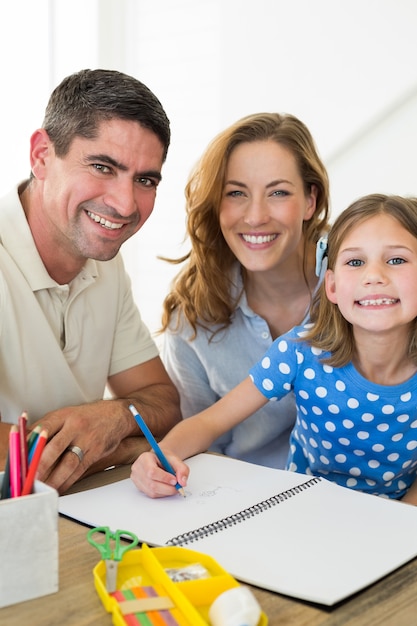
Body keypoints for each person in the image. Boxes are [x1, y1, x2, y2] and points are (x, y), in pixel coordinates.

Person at [132, 193, 417, 505]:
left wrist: (399, 527)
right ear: (332, 285)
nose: (374, 276)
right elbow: (209, 421)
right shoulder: (299, 353)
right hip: (299, 513)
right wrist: (162, 456)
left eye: (396, 260)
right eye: (355, 262)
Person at [0, 68, 181, 494]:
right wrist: (114, 444)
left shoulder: (104, 263)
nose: (124, 204)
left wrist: (112, 418)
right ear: (42, 155)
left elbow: (164, 401)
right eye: (102, 166)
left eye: (145, 180)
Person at [159, 112, 330, 468]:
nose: (255, 216)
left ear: (310, 200)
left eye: (278, 192)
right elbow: (200, 447)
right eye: (236, 193)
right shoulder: (192, 321)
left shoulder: (366, 287)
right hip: (247, 500)